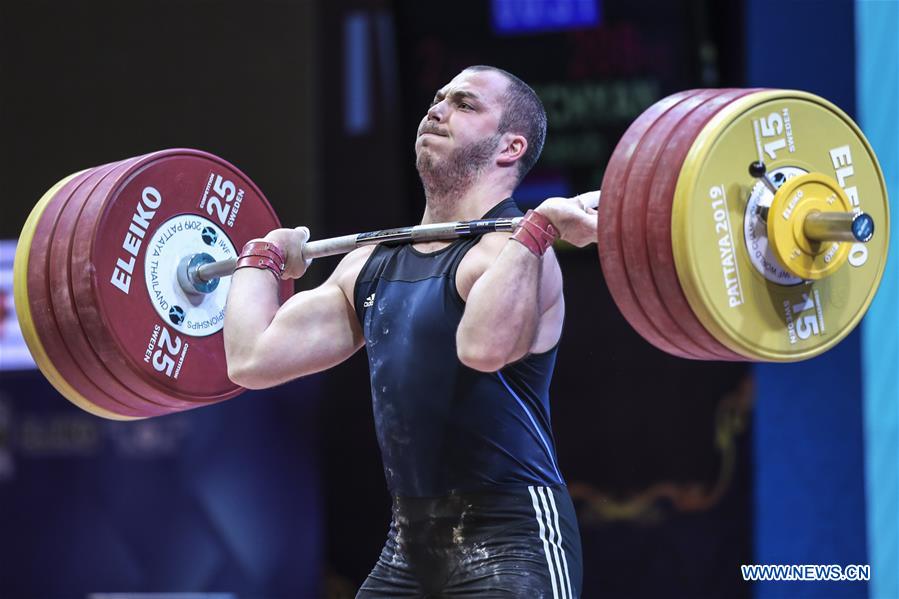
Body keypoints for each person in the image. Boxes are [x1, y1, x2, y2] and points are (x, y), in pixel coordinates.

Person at [224, 65, 598, 598]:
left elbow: (483, 348)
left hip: (513, 540)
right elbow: (251, 359)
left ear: (510, 147)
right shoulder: (370, 264)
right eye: (438, 98)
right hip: (408, 548)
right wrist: (260, 258)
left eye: (464, 104)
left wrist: (538, 230)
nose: (437, 110)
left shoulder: (515, 256)